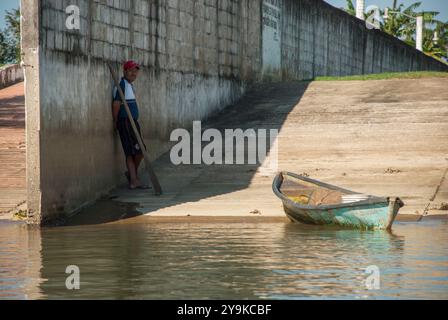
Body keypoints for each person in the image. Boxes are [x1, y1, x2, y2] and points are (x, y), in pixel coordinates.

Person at [112, 60, 148, 190]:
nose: (134, 73)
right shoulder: (121, 84)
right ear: (125, 71)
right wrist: (116, 120)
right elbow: (116, 104)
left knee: (140, 151)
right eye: (131, 70)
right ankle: (134, 180)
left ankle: (132, 175)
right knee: (132, 151)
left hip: (133, 122)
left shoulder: (129, 85)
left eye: (136, 71)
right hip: (126, 122)